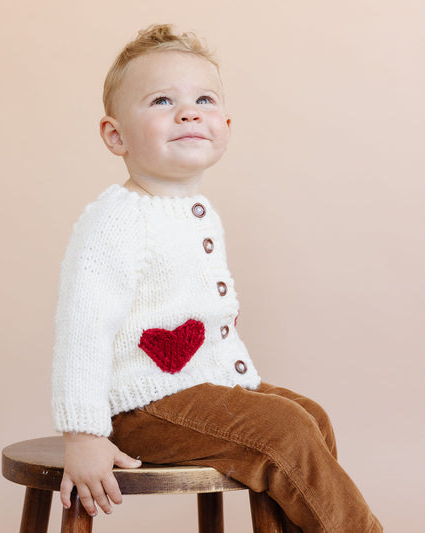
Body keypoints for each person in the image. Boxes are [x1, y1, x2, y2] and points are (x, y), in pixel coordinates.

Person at [51, 24, 382, 532]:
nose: (188, 112)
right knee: (285, 429)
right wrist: (83, 434)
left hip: (197, 390)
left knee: (309, 416)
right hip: (140, 407)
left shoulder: (195, 210)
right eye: (162, 100)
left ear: (225, 125)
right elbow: (82, 328)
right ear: (116, 135)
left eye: (203, 100)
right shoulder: (116, 219)